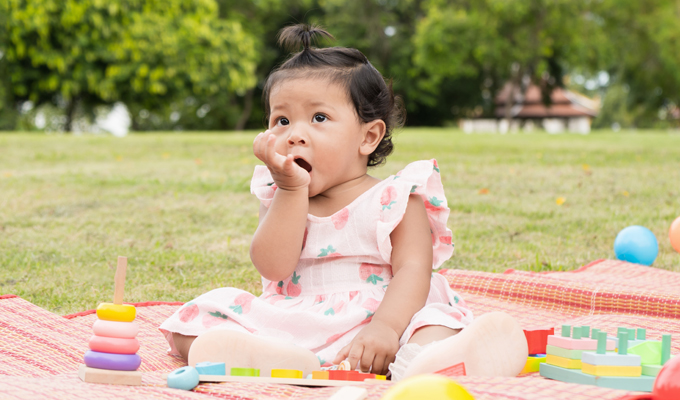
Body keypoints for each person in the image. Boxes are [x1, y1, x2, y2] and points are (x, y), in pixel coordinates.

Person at [159, 24, 527, 380]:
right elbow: (272, 267)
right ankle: (276, 360)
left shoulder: (396, 197)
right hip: (299, 318)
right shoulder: (280, 193)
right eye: (281, 119)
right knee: (197, 321)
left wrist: (385, 327)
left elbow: (415, 271)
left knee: (436, 321)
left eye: (318, 117)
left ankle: (423, 362)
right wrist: (290, 191)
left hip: (387, 315)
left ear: (368, 137)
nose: (294, 135)